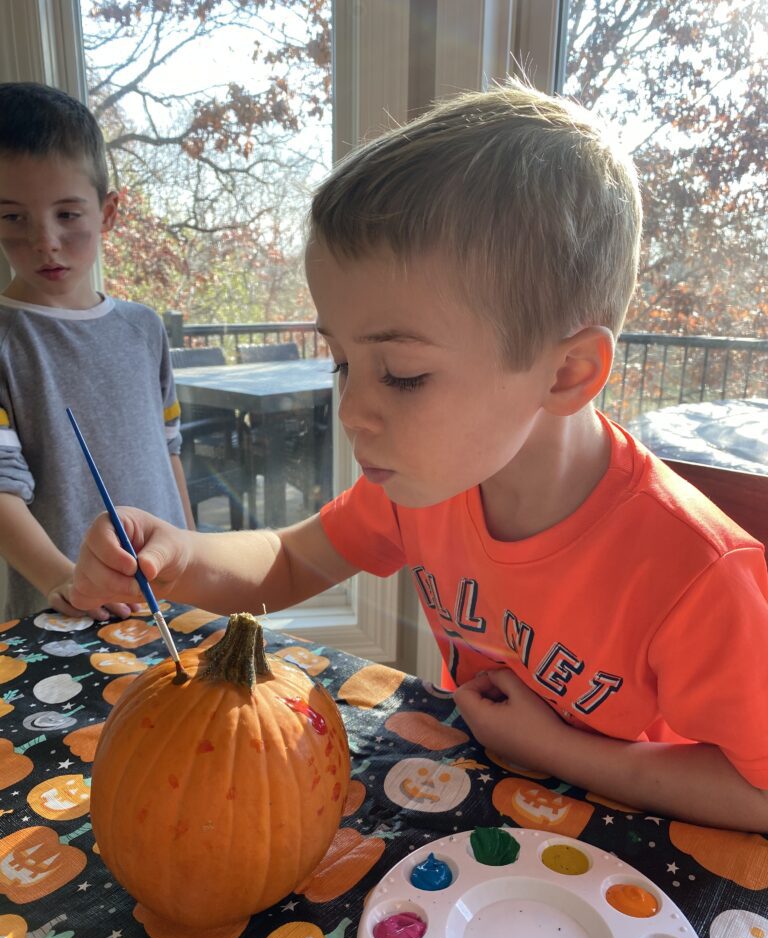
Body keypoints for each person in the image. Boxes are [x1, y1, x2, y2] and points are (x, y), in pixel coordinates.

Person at [71, 80, 768, 831]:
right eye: (341, 362)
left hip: (635, 860)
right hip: (478, 808)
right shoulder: (426, 487)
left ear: (567, 373)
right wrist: (177, 552)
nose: (353, 412)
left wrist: (558, 750)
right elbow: (288, 560)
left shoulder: (695, 574)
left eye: (402, 374)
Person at [0, 82, 194, 621]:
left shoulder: (144, 328)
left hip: (168, 592)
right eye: (13, 217)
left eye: (67, 214)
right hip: (67, 607)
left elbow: (169, 451)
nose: (45, 241)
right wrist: (62, 577)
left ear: (107, 213)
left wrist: (196, 550)